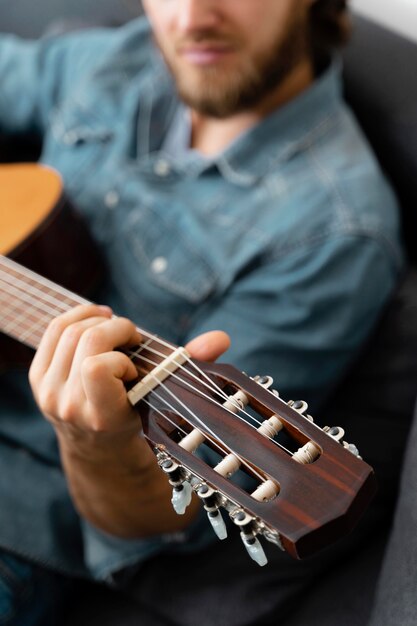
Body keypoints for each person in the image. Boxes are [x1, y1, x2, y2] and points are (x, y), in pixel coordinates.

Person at [0, 0, 404, 624]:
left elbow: (161, 512)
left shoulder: (334, 234)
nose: (191, 16)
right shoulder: (121, 58)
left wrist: (92, 441)